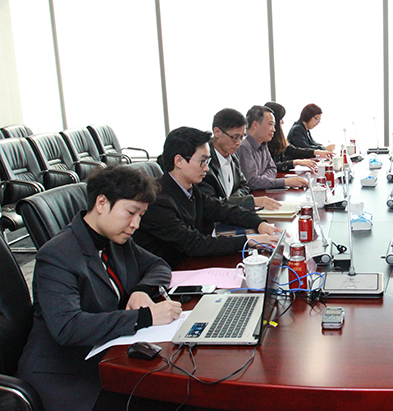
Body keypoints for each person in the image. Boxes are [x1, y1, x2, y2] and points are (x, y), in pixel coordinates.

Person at [17, 166, 182, 411]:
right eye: (131, 213)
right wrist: (144, 317)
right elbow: (68, 327)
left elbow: (158, 265)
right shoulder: (56, 255)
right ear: (102, 203)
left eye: (141, 215)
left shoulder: (115, 240)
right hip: (66, 377)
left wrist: (142, 290)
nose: (136, 224)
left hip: (107, 355)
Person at [133, 126, 282, 268]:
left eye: (208, 161)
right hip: (171, 272)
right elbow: (195, 244)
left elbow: (223, 210)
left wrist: (259, 223)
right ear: (179, 161)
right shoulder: (157, 200)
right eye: (202, 161)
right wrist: (249, 240)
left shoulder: (190, 189)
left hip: (191, 264)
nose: (206, 168)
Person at [200, 108, 281, 211]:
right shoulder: (204, 163)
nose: (239, 143)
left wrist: (233, 200)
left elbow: (244, 186)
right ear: (217, 132)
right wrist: (247, 201)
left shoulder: (232, 156)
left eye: (242, 137)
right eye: (235, 137)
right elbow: (211, 204)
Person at [236, 105, 310, 190]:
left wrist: (262, 180)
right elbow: (252, 182)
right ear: (255, 125)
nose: (274, 130)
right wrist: (285, 182)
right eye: (270, 124)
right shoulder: (244, 147)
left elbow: (272, 168)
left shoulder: (263, 143)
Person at [264, 101, 332, 173]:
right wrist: (295, 162)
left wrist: (317, 151)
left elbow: (291, 149)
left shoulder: (277, 137)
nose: (283, 122)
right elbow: (271, 167)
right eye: (281, 119)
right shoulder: (297, 129)